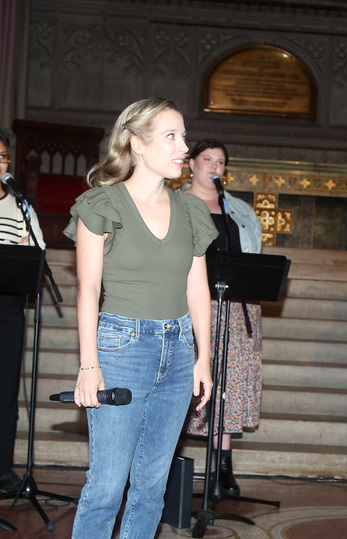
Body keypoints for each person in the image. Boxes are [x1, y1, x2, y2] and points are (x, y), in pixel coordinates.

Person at [63, 97, 217, 538]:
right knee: (108, 487)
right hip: (121, 348)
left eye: (183, 136)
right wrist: (89, 365)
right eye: (172, 136)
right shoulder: (101, 204)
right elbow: (88, 290)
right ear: (137, 143)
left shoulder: (191, 209)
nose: (183, 147)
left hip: (179, 349)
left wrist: (203, 358)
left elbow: (197, 288)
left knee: (151, 488)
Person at [181, 139, 263, 497]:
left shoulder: (240, 210)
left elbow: (254, 257)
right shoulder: (176, 203)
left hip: (236, 307)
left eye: (221, 162)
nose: (214, 167)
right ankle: (170, 465)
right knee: (192, 383)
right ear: (191, 165)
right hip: (193, 306)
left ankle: (222, 469)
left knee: (229, 385)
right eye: (207, 159)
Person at [0, 134, 45, 496]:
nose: (0, 163)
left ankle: (2, 471)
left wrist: (26, 251)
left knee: (6, 394)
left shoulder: (21, 206)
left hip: (8, 306)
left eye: (2, 157)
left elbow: (39, 251)